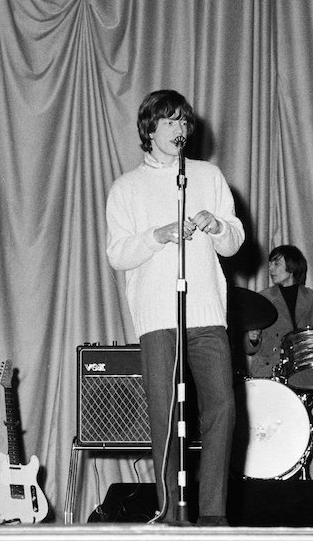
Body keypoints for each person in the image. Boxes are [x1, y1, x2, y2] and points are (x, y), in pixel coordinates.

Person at [105, 89, 245, 525]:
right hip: (158, 316)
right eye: (170, 122)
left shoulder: (208, 175)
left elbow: (236, 241)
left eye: (184, 122)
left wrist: (219, 225)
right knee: (164, 415)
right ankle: (170, 515)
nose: (180, 130)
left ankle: (214, 518)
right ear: (149, 129)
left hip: (205, 313)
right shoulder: (126, 187)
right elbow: (117, 254)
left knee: (222, 408)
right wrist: (158, 234)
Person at [242, 245, 313, 477]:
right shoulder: (262, 298)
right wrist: (253, 338)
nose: (271, 268)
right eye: (271, 263)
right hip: (272, 373)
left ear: (292, 266)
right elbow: (248, 349)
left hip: (305, 371)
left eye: (277, 262)